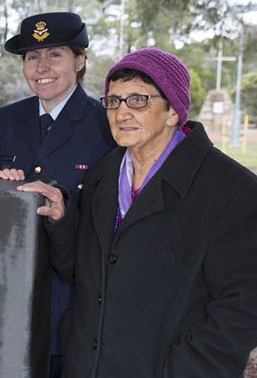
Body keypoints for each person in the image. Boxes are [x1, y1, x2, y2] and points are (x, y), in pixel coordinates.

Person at [20, 48, 257, 377]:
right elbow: (79, 272)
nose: (121, 113)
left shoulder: (232, 189)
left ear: (173, 110)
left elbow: (241, 307)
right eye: (114, 101)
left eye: (138, 100)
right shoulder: (104, 174)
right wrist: (62, 220)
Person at [0, 11, 115, 377]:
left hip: (70, 304)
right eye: (32, 57)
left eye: (55, 55)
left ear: (79, 61)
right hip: (8, 298)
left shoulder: (104, 125)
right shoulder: (6, 121)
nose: (42, 66)